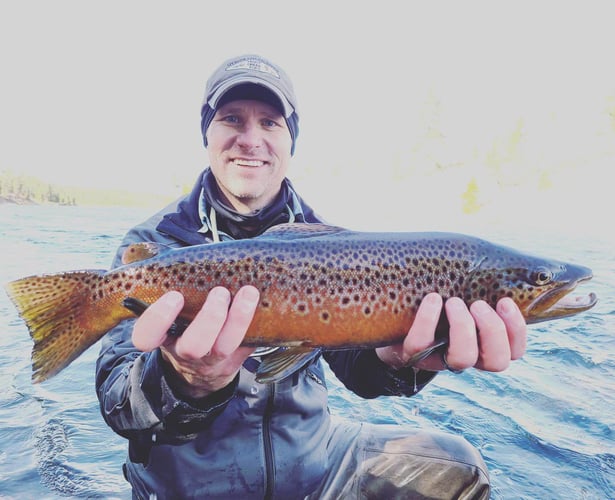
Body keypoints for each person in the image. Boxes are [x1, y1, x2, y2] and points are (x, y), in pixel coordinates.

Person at [96, 54, 527, 499]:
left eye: (270, 123)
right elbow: (118, 407)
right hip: (190, 487)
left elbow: (359, 374)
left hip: (313, 466)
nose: (251, 139)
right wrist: (185, 380)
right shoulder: (155, 247)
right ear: (207, 133)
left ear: (290, 140)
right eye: (231, 119)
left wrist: (399, 361)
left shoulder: (329, 242)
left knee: (459, 467)